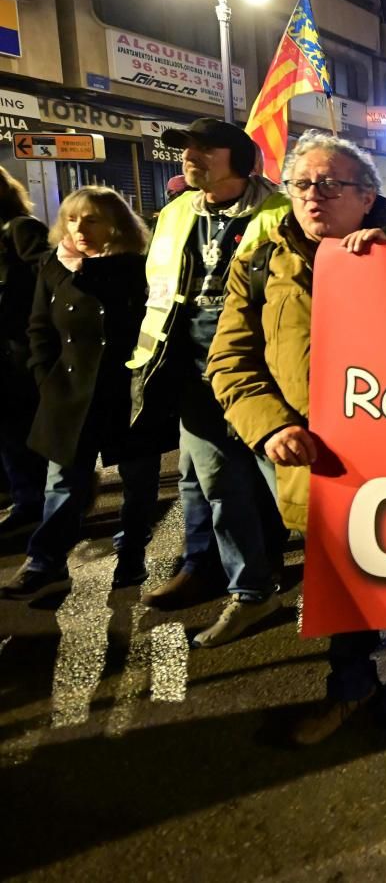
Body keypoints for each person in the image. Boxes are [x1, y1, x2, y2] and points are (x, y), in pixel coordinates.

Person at [209, 131, 386, 745]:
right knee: (343, 585)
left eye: (332, 184)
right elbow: (230, 359)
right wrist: (270, 425)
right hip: (319, 459)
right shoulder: (261, 258)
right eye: (302, 184)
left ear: (369, 197)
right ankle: (352, 688)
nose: (313, 196)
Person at [132, 118, 288, 643]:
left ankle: (354, 590)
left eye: (203, 148)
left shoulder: (283, 213)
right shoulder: (175, 213)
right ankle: (250, 593)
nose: (189, 157)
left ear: (239, 161)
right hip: (193, 380)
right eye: (185, 149)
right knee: (220, 490)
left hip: (262, 382)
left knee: (295, 492)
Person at [0, 188, 160, 597]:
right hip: (70, 394)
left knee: (138, 480)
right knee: (63, 482)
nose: (80, 229)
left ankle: (132, 553)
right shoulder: (56, 268)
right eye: (72, 219)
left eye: (92, 220)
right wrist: (45, 379)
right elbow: (40, 329)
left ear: (116, 225)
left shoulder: (140, 269)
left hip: (128, 392)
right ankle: (45, 561)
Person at [0, 168, 49, 534]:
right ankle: (23, 493)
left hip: (18, 345)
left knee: (21, 424)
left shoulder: (19, 228)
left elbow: (49, 278)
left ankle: (35, 497)